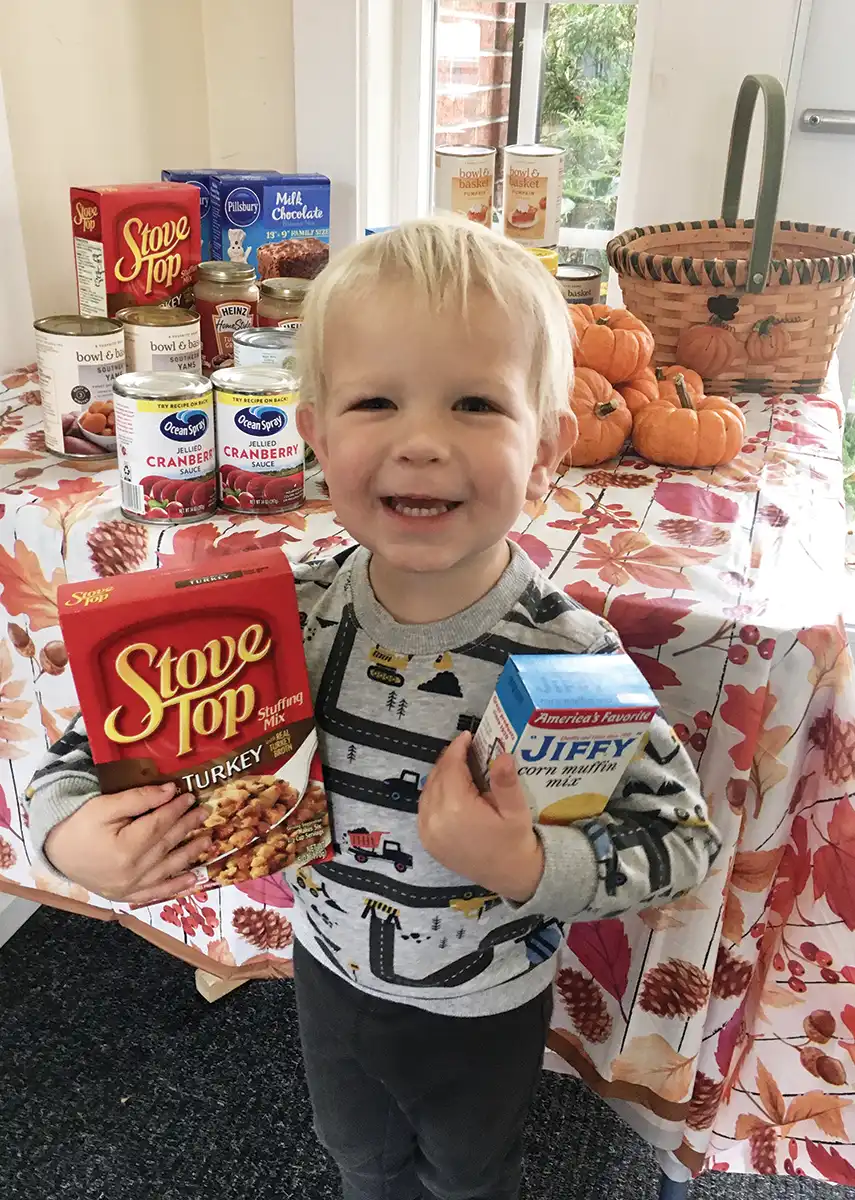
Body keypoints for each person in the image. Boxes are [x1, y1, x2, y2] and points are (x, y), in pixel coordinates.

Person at [25, 217, 720, 1200]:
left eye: (476, 403)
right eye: (375, 401)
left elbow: (680, 842)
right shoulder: (271, 621)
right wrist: (68, 840)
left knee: (470, 1175)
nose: (423, 442)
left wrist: (526, 864)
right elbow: (84, 747)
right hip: (328, 976)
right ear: (314, 435)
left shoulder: (567, 658)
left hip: (486, 1004)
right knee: (357, 1158)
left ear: (547, 449)